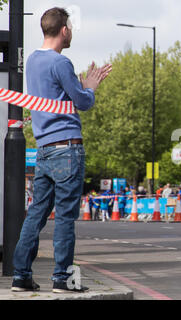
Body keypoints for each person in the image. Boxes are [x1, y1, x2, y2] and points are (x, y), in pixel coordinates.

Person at [11, 7, 112, 293]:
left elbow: (53, 94)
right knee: (66, 217)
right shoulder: (61, 62)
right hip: (67, 148)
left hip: (43, 149)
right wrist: (89, 87)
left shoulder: (32, 61)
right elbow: (82, 102)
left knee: (36, 215)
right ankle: (62, 280)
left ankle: (21, 277)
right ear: (64, 30)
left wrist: (79, 88)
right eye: (70, 27)